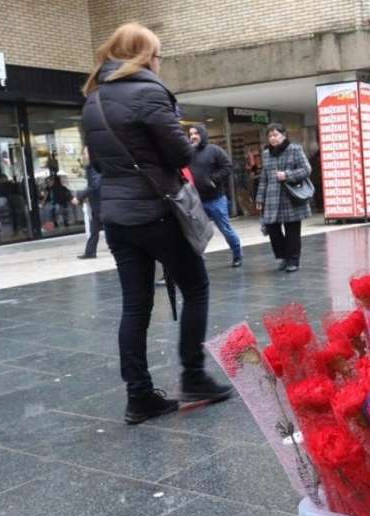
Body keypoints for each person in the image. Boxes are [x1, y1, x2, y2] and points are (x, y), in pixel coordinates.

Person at [81, 22, 232, 425]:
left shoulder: (92, 99)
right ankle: (194, 376)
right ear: (145, 55)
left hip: (117, 217)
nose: (159, 62)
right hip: (157, 211)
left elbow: (97, 162)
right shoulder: (149, 91)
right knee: (196, 287)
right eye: (158, 55)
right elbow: (182, 152)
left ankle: (140, 397)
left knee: (135, 305)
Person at [256, 122, 312, 273]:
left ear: (283, 135)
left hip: (290, 196)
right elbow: (263, 178)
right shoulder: (266, 153)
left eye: (275, 135)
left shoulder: (295, 149)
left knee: (292, 230)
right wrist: (260, 199)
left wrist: (287, 175)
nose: (273, 138)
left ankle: (293, 260)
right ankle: (284, 256)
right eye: (270, 136)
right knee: (272, 229)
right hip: (272, 197)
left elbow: (306, 170)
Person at [188, 124, 243, 267]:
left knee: (225, 229)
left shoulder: (215, 150)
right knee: (197, 233)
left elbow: (227, 166)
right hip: (197, 201)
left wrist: (213, 180)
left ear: (203, 134)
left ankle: (237, 255)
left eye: (196, 133)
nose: (193, 136)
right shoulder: (188, 153)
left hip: (216, 199)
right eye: (191, 134)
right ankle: (197, 259)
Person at [74, 147, 102, 258]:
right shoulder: (91, 167)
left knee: (112, 230)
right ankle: (90, 252)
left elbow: (95, 185)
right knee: (94, 229)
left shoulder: (95, 167)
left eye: (85, 153)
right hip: (97, 204)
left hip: (101, 204)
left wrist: (80, 196)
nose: (84, 156)